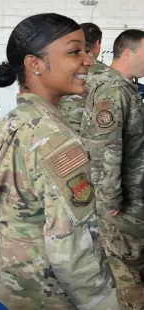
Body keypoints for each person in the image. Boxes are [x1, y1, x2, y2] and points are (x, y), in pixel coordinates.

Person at [0, 13, 122, 310]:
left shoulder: (11, 122)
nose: (88, 60)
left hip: (3, 284)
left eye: (85, 50)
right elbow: (71, 246)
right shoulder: (55, 140)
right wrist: (104, 303)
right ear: (35, 64)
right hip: (45, 294)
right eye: (74, 52)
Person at [81, 29, 144, 309]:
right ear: (128, 53)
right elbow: (106, 149)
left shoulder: (125, 86)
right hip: (122, 205)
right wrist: (110, 201)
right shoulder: (112, 89)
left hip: (133, 198)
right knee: (128, 272)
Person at [58, 23, 108, 133]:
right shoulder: (108, 74)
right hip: (94, 139)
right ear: (97, 44)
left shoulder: (58, 69)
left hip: (61, 135)